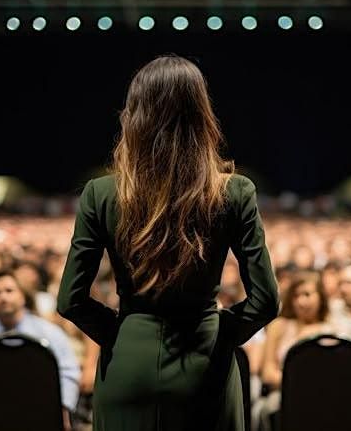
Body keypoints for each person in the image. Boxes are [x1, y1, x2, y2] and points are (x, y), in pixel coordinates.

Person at [57, 55, 279, 431]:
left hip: (126, 367)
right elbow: (266, 301)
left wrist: (122, 333)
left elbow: (70, 300)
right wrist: (218, 335)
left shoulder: (101, 193)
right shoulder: (235, 191)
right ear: (202, 114)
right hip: (206, 366)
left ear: (134, 115)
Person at [0, 271, 80, 431]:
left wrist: (62, 410)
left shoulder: (50, 333)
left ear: (22, 296)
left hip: (40, 410)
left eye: (9, 291)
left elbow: (68, 373)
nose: (3, 297)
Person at [257, 271, 332, 430]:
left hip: (321, 396)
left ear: (320, 297)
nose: (301, 301)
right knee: (270, 408)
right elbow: (268, 373)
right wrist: (300, 383)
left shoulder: (330, 329)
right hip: (283, 393)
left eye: (307, 294)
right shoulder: (278, 326)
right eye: (296, 296)